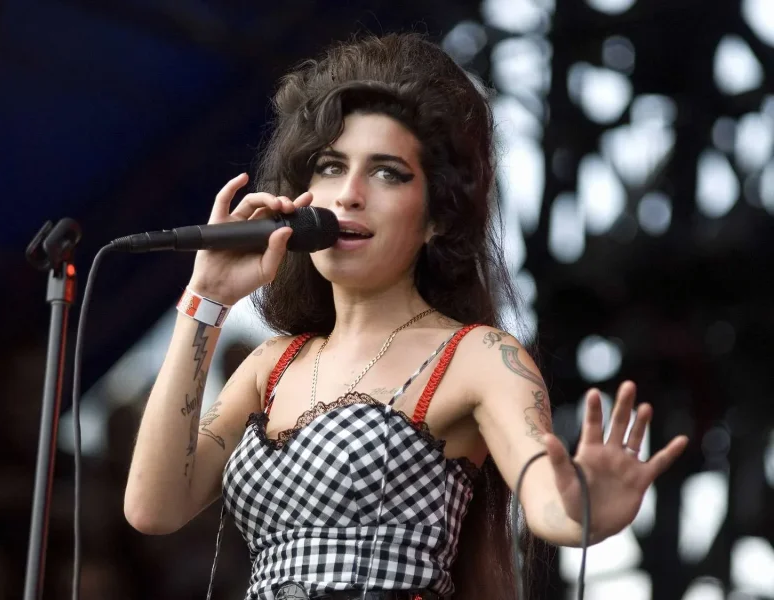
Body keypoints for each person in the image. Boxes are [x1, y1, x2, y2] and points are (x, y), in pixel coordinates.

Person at [123, 33, 689, 600]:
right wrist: (206, 298)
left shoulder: (476, 356)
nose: (348, 194)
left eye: (387, 172)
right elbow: (154, 506)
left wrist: (583, 507)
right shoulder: (272, 366)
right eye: (329, 166)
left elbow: (545, 497)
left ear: (437, 215)